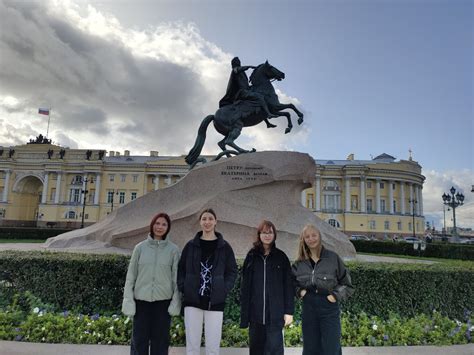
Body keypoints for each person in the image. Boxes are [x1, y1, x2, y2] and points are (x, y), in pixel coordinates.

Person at [177, 208, 238, 355]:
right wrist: (184, 287)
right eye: (204, 219)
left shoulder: (224, 247)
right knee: (192, 346)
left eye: (210, 218)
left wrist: (224, 288)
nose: (207, 222)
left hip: (215, 302)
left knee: (212, 347)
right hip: (192, 301)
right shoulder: (190, 246)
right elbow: (181, 269)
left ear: (216, 221)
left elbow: (232, 271)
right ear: (200, 222)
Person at [122, 212, 181, 355]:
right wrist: (129, 301)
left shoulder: (173, 250)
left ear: (168, 228)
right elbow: (131, 277)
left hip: (163, 304)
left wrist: (175, 302)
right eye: (157, 223)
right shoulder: (140, 248)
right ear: (152, 225)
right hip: (141, 303)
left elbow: (177, 280)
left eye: (164, 224)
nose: (160, 227)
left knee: (160, 343)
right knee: (139, 342)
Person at [292, 224, 354, 355]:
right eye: (307, 236)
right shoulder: (299, 263)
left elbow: (347, 285)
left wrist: (334, 296)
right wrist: (300, 292)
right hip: (309, 308)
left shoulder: (332, 258)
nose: (311, 239)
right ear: (303, 240)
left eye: (314, 235)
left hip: (329, 307)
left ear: (320, 236)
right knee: (310, 348)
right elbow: (290, 283)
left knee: (331, 347)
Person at [240, 220, 294, 355]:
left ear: (274, 235)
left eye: (270, 232)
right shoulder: (251, 256)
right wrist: (245, 314)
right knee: (256, 350)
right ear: (259, 235)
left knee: (275, 350)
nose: (267, 235)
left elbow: (288, 286)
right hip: (255, 314)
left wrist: (289, 312)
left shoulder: (281, 257)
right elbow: (245, 286)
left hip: (275, 315)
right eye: (264, 232)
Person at [219, 56, 278, 128]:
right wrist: (248, 66)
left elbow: (245, 84)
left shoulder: (241, 72)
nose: (239, 62)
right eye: (237, 61)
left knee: (259, 100)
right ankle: (268, 114)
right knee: (259, 97)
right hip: (242, 92)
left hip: (246, 90)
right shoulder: (235, 70)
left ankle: (267, 123)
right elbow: (237, 70)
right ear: (235, 63)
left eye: (239, 61)